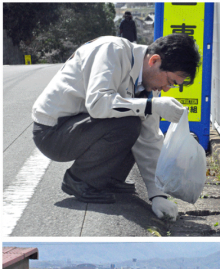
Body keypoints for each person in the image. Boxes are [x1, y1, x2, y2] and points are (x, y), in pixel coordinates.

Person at [31, 34, 201, 220]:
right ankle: (79, 180)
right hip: (53, 132)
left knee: (134, 120)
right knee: (128, 122)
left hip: (80, 127)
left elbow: (149, 138)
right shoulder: (112, 50)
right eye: (170, 82)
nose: (167, 89)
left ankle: (108, 179)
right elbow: (98, 104)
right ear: (154, 60)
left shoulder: (148, 84)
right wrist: (150, 106)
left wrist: (157, 195)